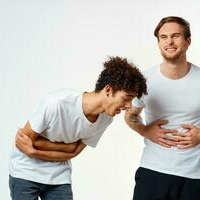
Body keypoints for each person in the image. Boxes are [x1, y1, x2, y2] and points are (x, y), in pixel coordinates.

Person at [9, 56, 147, 200]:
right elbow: (23, 141)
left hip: (59, 177)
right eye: (126, 98)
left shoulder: (106, 118)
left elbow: (74, 152)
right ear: (108, 90)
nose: (128, 106)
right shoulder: (57, 103)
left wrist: (33, 150)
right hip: (25, 173)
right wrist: (65, 147)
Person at [125, 16, 200, 200]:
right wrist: (145, 130)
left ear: (188, 41)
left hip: (191, 175)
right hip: (152, 171)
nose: (169, 41)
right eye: (163, 37)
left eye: (175, 36)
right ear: (158, 43)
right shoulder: (145, 80)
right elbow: (130, 115)